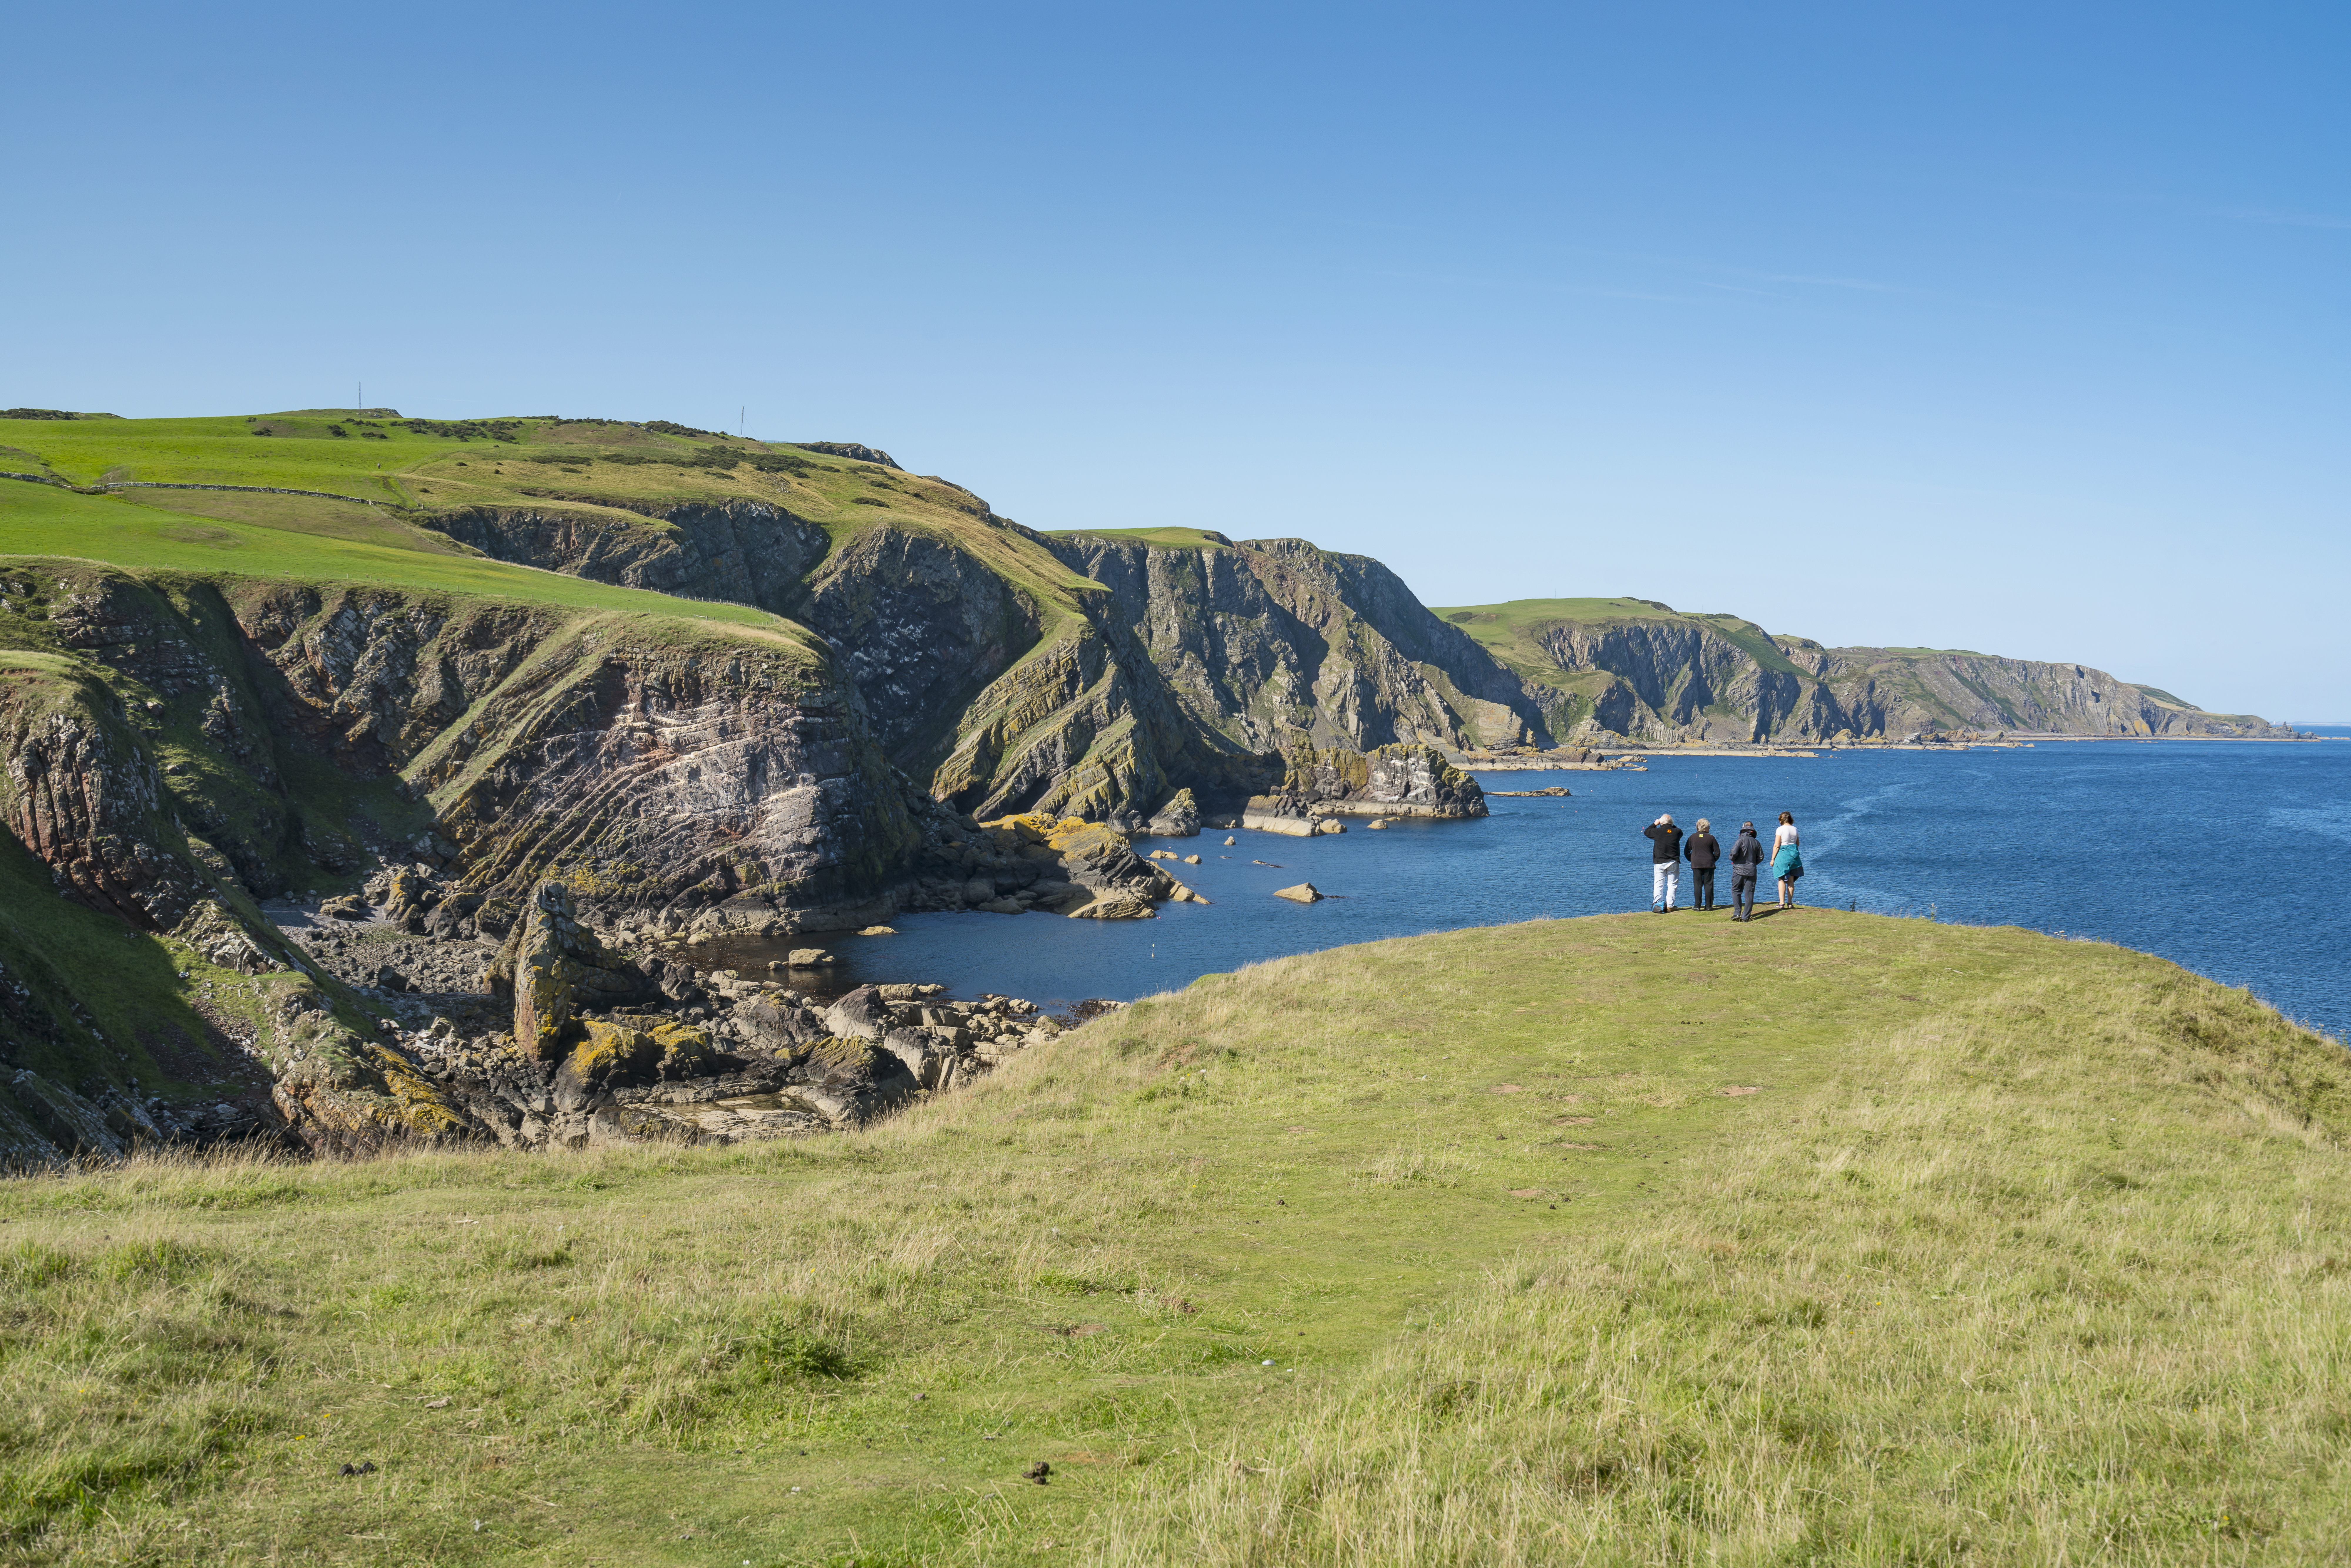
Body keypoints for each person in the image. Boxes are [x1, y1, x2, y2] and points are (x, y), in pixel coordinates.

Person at [1642, 814, 1683, 913]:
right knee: (1672, 885)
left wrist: (1655, 824)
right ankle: (1670, 906)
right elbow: (1680, 832)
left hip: (1660, 862)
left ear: (1661, 823)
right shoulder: (1677, 832)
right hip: (1673, 862)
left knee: (1659, 885)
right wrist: (1671, 825)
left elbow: (1647, 832)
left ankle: (1657, 904)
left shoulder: (1658, 832)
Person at [1727, 821, 1765, 920]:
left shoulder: (1740, 840)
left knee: (1736, 891)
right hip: (1752, 871)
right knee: (1750, 894)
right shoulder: (1757, 842)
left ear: (1743, 829)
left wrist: (1733, 859)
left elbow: (1734, 853)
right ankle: (1746, 917)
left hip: (1738, 871)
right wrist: (1753, 864)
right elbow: (1761, 857)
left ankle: (1737, 914)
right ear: (1753, 830)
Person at [1684, 818, 1720, 910]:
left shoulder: (1692, 837)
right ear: (1705, 828)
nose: (1710, 829)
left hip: (1696, 864)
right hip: (1709, 864)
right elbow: (1717, 852)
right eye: (1709, 827)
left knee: (1698, 885)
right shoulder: (1711, 838)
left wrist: (1692, 860)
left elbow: (1686, 852)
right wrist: (1713, 860)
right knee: (1709, 885)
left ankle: (1697, 906)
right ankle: (1709, 907)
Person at [1770, 810, 1803, 908]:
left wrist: (1773, 859)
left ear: (1781, 820)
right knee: (1791, 880)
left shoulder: (1780, 829)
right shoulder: (1795, 829)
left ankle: (1782, 903)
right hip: (1794, 856)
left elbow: (1777, 845)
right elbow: (1798, 844)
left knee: (1781, 879)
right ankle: (1790, 903)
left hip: (1783, 855)